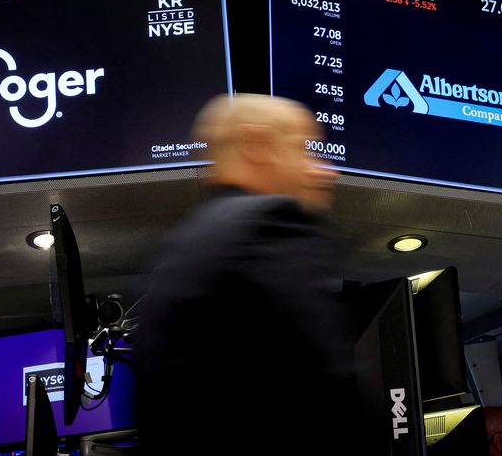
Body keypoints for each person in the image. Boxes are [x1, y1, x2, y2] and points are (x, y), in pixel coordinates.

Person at [134, 93, 354, 456]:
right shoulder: (270, 225)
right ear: (257, 144)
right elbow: (324, 393)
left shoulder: (179, 248)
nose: (325, 171)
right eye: (305, 149)